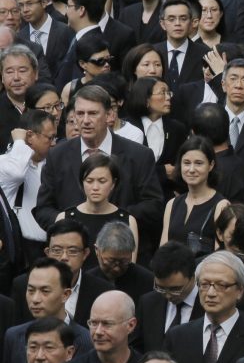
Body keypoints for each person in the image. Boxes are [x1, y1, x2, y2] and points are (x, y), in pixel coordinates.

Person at [34, 85, 164, 260]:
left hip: (122, 257)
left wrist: (112, 217)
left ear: (110, 115)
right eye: (80, 114)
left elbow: (153, 206)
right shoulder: (57, 155)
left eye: (93, 113)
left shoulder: (139, 155)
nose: (85, 120)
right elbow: (43, 209)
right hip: (71, 258)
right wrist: (71, 224)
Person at [3, 258, 91, 363]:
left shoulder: (86, 340)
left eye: (45, 291)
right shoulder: (13, 336)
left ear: (65, 294)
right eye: (31, 290)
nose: (35, 299)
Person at [11, 220, 114, 327]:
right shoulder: (23, 285)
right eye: (57, 250)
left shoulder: (103, 291)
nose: (64, 257)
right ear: (47, 253)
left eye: (72, 251)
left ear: (85, 254)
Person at [56, 154, 138, 270]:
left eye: (102, 181)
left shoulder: (127, 220)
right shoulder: (65, 218)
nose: (95, 187)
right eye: (89, 181)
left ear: (113, 183)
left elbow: (129, 266)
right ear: (82, 182)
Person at [0, 110, 56, 264]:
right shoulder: (6, 162)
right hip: (22, 248)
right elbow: (17, 173)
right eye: (49, 138)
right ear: (30, 136)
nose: (53, 143)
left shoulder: (53, 163)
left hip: (50, 246)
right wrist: (19, 141)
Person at [160, 136, 230, 257]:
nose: (191, 169)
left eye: (199, 163)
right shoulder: (172, 204)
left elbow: (221, 257)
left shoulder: (221, 206)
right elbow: (163, 250)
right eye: (186, 163)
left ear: (211, 165)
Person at [122, 77, 187, 198]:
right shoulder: (127, 126)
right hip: (132, 198)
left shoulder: (177, 129)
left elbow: (180, 166)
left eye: (169, 93)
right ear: (146, 99)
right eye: (162, 93)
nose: (168, 97)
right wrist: (162, 172)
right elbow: (126, 169)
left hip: (166, 199)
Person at [15, 0, 74, 84]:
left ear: (44, 2)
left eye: (29, 4)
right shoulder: (20, 37)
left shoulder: (65, 31)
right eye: (21, 5)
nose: (25, 10)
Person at [152, 0, 208, 93]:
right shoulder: (152, 52)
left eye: (183, 19)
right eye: (171, 19)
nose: (177, 23)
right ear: (162, 24)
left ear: (191, 23)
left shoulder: (206, 54)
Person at [87, 221, 154, 299]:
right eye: (111, 261)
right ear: (97, 250)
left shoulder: (147, 282)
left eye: (123, 261)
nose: (117, 268)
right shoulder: (86, 283)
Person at [0, 45, 39, 149]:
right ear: (2, 77)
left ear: (35, 73)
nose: (16, 77)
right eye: (9, 72)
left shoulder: (47, 103)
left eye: (22, 71)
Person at [60, 34, 112, 107]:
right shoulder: (71, 88)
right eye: (100, 61)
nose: (106, 64)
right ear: (83, 64)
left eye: (109, 59)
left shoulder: (117, 86)